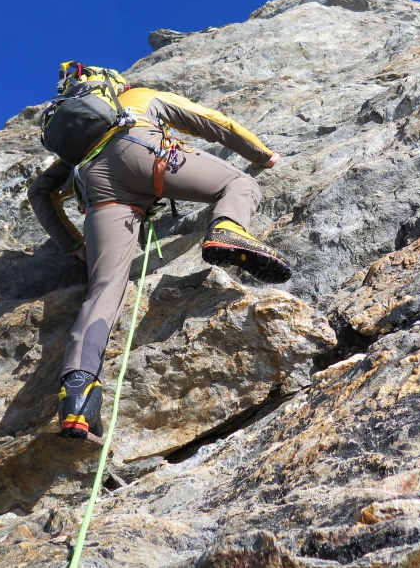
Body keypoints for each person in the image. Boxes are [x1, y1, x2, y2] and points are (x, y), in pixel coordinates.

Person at [28, 63, 292, 438]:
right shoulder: (139, 98)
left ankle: (78, 391)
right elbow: (210, 121)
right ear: (115, 86)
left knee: (104, 290)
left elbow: (40, 192)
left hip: (98, 189)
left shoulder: (75, 147)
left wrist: (73, 244)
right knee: (239, 183)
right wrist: (262, 154)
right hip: (145, 153)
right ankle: (227, 228)